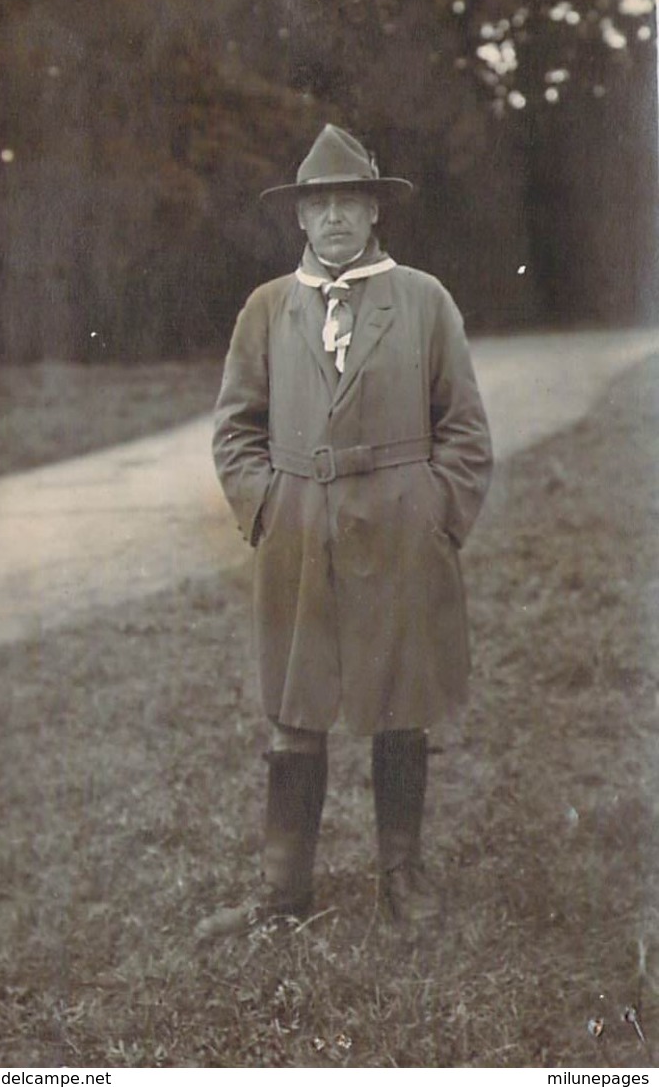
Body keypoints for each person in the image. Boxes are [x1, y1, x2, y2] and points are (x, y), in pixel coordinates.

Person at [197, 124, 493, 940]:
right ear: (299, 218)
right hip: (297, 533)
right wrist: (266, 506)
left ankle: (403, 879)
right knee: (295, 706)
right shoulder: (267, 308)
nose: (332, 217)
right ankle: (282, 893)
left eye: (348, 200)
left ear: (373, 212)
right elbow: (235, 428)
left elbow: (464, 429)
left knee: (401, 704)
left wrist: (436, 515)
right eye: (317, 202)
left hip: (399, 529)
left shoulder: (424, 301)